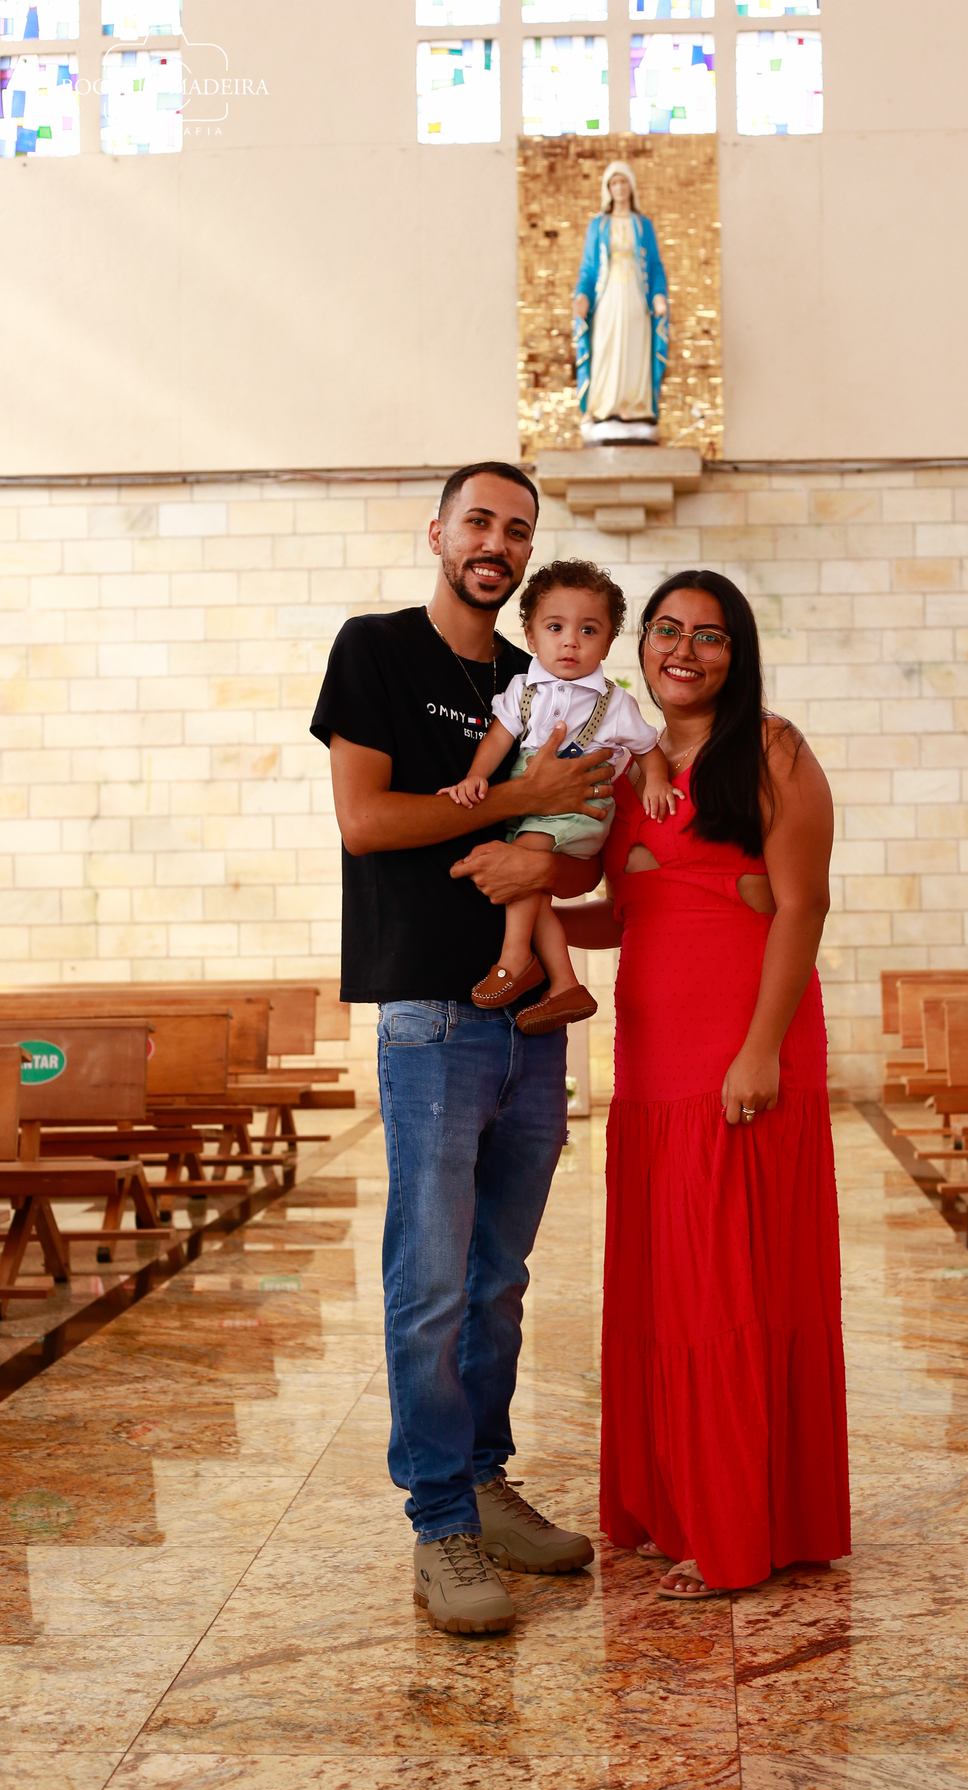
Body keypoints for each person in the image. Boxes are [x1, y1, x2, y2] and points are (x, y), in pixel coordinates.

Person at [310, 462, 611, 1638]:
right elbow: (366, 820)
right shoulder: (377, 649)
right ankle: (439, 1522)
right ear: (438, 532)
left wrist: (546, 847)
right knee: (432, 1282)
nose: (497, 542)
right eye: (479, 521)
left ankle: (485, 1481)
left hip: (531, 1018)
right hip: (429, 1015)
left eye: (517, 530)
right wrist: (514, 798)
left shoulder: (543, 671)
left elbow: (579, 832)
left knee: (499, 1279)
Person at [559, 570, 851, 1598]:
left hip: (741, 1050)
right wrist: (532, 911)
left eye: (710, 635)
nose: (684, 650)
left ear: (740, 651)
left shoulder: (771, 750)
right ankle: (675, 1506)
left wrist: (761, 1051)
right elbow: (630, 909)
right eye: (667, 630)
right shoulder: (623, 761)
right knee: (666, 1294)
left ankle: (737, 1530)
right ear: (640, 645)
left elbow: (802, 906)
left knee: (729, 1291)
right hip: (650, 1061)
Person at [440, 558, 676, 1035]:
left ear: (608, 642)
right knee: (533, 892)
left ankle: (514, 959)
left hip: (579, 809)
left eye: (588, 630)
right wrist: (476, 776)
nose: (571, 641)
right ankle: (565, 984)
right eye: (555, 627)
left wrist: (656, 780)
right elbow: (499, 738)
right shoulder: (521, 689)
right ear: (530, 636)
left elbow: (648, 748)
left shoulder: (613, 702)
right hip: (535, 810)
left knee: (522, 863)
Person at [573, 161, 669, 440]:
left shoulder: (643, 225)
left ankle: (635, 407)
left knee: (635, 347)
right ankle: (603, 406)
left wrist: (658, 295)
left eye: (623, 182)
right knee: (605, 347)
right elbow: (588, 268)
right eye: (614, 183)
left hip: (636, 296)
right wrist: (582, 296)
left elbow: (655, 265)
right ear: (608, 188)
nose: (619, 188)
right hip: (608, 296)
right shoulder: (598, 225)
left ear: (631, 186)